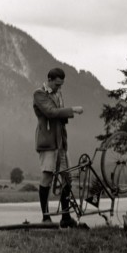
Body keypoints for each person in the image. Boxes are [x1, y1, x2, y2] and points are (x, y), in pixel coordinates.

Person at [33, 67, 83, 227]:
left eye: (61, 85)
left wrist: (64, 114)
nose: (59, 88)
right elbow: (51, 112)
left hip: (61, 142)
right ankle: (45, 217)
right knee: (47, 176)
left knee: (66, 177)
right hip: (48, 142)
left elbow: (59, 116)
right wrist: (72, 109)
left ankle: (65, 216)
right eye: (57, 84)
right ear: (49, 80)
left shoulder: (58, 93)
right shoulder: (39, 94)